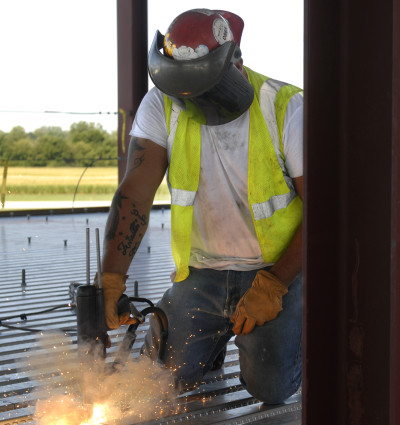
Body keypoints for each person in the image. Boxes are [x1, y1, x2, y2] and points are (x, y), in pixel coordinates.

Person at [100, 8, 303, 404]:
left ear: (236, 65)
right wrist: (111, 278)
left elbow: (324, 210)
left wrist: (276, 283)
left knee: (272, 389)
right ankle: (210, 343)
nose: (188, 102)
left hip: (277, 272)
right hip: (201, 273)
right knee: (157, 383)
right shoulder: (161, 104)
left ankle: (299, 325)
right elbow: (134, 196)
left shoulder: (286, 108)